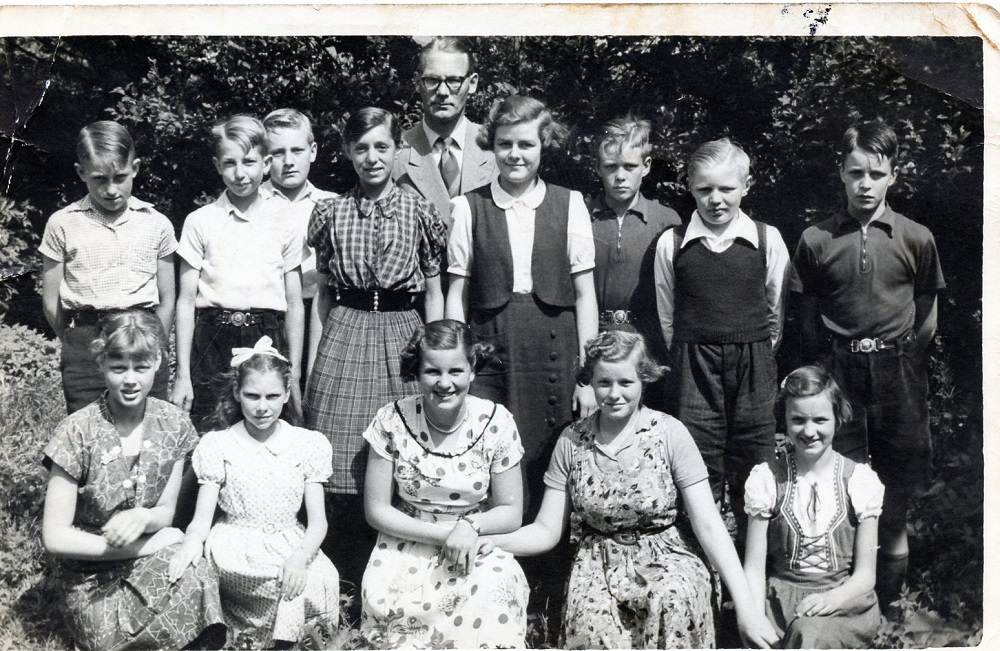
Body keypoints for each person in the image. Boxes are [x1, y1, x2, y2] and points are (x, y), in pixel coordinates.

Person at [479, 331, 780, 649]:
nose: (614, 394)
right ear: (590, 382)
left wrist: (747, 609)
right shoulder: (571, 441)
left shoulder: (670, 433)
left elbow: (708, 524)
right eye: (604, 383)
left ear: (643, 380)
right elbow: (546, 530)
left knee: (673, 598)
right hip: (598, 566)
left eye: (625, 383)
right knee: (593, 626)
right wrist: (494, 542)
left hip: (669, 559)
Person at [790, 121, 946, 611]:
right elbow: (807, 317)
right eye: (855, 172)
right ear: (841, 172)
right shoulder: (816, 239)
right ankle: (846, 600)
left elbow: (926, 313)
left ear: (892, 176)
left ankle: (891, 605)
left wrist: (904, 355)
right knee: (842, 481)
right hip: (839, 374)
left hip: (898, 372)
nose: (865, 184)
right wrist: (827, 365)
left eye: (876, 174)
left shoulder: (915, 237)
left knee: (896, 489)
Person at [306, 106, 447, 614]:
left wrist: (435, 354)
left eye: (382, 147)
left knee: (406, 450)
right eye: (361, 147)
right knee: (338, 450)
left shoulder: (419, 211)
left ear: (398, 151)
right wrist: (312, 364)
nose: (372, 157)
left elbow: (434, 292)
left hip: (402, 332)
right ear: (348, 151)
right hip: (345, 331)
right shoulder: (331, 212)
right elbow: (323, 296)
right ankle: (342, 587)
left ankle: (403, 586)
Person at [445, 95, 599, 516]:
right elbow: (457, 294)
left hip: (555, 356)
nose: (515, 154)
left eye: (526, 144)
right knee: (489, 456)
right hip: (492, 355)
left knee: (552, 460)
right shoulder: (468, 207)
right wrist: (458, 365)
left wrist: (588, 376)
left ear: (543, 145)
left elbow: (585, 295)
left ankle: (551, 551)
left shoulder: (570, 204)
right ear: (491, 146)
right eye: (505, 144)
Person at [40, 309, 225, 651]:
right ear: (101, 364)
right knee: (112, 629)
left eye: (140, 368)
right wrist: (144, 545)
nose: (130, 380)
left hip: (146, 560)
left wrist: (144, 517)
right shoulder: (76, 431)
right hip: (88, 572)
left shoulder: (173, 423)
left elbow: (165, 511)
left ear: (157, 363)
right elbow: (54, 537)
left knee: (195, 571)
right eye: (118, 368)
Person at [360, 320, 528, 648]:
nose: (445, 383)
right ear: (417, 372)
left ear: (472, 370)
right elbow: (376, 509)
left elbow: (511, 512)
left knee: (495, 588)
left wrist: (470, 527)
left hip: (474, 542)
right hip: (407, 539)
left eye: (455, 371)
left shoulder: (497, 421)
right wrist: (444, 536)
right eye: (432, 372)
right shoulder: (391, 420)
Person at [653, 137, 790, 543]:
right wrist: (693, 349)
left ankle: (755, 567)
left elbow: (775, 312)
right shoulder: (672, 243)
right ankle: (704, 566)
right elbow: (666, 315)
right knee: (697, 464)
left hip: (753, 365)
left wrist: (754, 351)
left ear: (746, 185)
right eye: (705, 189)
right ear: (690, 188)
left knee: (756, 464)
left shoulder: (766, 239)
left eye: (727, 188)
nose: (716, 199)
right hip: (693, 366)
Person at [169, 336, 339, 649]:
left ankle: (298, 643)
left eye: (272, 396)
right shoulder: (219, 444)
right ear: (237, 393)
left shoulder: (306, 444)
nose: (262, 407)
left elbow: (318, 523)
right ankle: (247, 641)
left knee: (320, 578)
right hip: (236, 545)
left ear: (287, 394)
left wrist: (300, 557)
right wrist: (192, 541)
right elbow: (201, 519)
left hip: (291, 540)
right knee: (268, 580)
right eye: (252, 396)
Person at [172, 114, 305, 431]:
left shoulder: (285, 218)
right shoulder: (201, 221)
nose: (240, 173)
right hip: (212, 338)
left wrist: (295, 372)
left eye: (249, 162)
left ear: (266, 163)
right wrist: (183, 375)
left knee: (267, 427)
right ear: (217, 165)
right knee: (209, 430)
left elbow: (295, 303)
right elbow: (185, 301)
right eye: (230, 163)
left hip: (267, 334)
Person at [40, 120, 175, 414]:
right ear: (81, 173)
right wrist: (76, 340)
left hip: (143, 337)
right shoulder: (62, 223)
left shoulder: (156, 223)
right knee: (87, 426)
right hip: (85, 344)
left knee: (148, 426)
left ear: (135, 169)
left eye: (120, 177)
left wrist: (154, 342)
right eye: (100, 179)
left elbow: (167, 298)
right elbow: (51, 302)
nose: (111, 190)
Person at [743, 365, 883, 648]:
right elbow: (755, 568)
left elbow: (866, 575)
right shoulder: (768, 479)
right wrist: (753, 617)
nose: (809, 431)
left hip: (842, 601)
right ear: (784, 420)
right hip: (778, 604)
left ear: (837, 419)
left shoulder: (859, 481)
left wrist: (832, 598)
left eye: (820, 420)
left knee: (810, 633)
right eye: (798, 420)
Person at [588, 115, 681, 409]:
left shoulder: (666, 220)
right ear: (598, 168)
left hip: (648, 341)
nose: (620, 176)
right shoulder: (581, 217)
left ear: (647, 166)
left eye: (629, 166)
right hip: (595, 338)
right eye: (611, 167)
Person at [262, 108, 338, 394]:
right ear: (265, 158)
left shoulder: (333, 205)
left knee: (315, 394)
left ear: (313, 151)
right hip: (269, 316)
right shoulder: (252, 204)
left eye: (297, 150)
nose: (289, 161)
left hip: (321, 313)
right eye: (277, 153)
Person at [394, 36, 496, 226]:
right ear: (417, 83)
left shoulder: (497, 149)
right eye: (432, 80)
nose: (442, 92)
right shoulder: (394, 153)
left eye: (454, 80)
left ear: (472, 83)